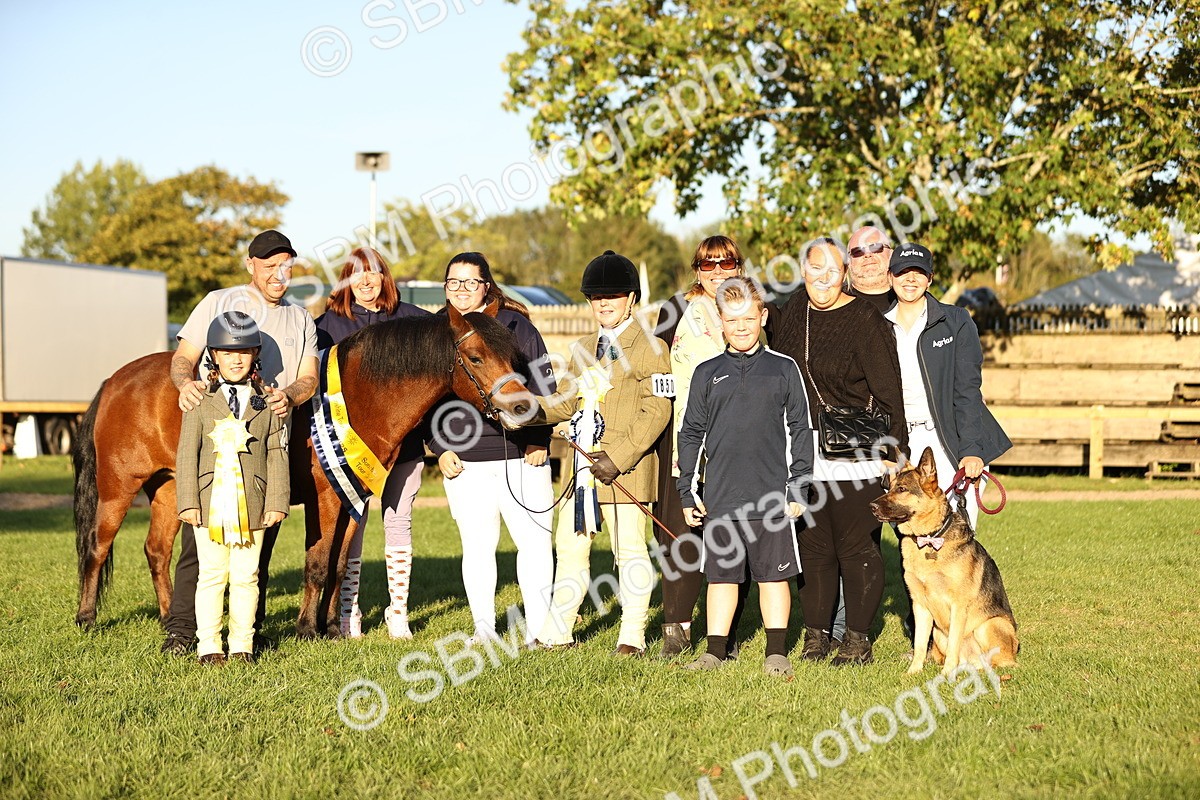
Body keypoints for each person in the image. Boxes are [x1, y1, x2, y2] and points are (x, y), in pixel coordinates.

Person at [162, 229, 319, 656]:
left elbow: (308, 376)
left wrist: (290, 395)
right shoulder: (217, 301)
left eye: (285, 266)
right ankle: (182, 630)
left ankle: (248, 633)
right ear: (250, 265)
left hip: (267, 441)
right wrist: (185, 386)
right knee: (200, 551)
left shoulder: (300, 318)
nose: (278, 274)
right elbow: (183, 359)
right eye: (269, 266)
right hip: (215, 448)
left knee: (257, 549)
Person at [773, 237, 907, 666]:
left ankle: (857, 640)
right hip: (804, 449)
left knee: (855, 548)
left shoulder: (866, 319)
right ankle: (816, 638)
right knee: (814, 547)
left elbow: (890, 393)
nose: (823, 280)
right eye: (815, 270)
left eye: (832, 271)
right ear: (803, 271)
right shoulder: (793, 312)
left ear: (844, 275)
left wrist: (893, 452)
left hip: (857, 450)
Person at [532, 250, 671, 656]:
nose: (604, 303)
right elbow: (564, 401)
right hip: (583, 469)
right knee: (571, 547)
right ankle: (559, 630)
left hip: (626, 469)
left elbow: (657, 409)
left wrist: (620, 457)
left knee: (628, 550)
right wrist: (524, 412)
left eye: (612, 295)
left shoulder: (652, 348)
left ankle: (632, 634)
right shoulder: (580, 348)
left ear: (631, 299)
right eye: (596, 297)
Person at [676, 277, 813, 677]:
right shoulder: (706, 372)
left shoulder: (783, 369)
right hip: (721, 496)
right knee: (721, 578)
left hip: (772, 497)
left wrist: (798, 486)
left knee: (773, 577)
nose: (741, 327)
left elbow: (800, 430)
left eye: (749, 319)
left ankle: (776, 653)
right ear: (720, 321)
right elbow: (690, 435)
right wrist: (688, 491)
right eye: (732, 320)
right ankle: (714, 652)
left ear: (763, 317)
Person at [429, 252, 556, 646]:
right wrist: (437, 445)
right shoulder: (437, 331)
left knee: (534, 545)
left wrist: (538, 438)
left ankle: (539, 631)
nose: (461, 290)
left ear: (486, 285)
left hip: (521, 456)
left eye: (470, 282)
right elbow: (424, 395)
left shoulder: (517, 325)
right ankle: (484, 630)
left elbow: (545, 387)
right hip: (464, 462)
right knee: (477, 548)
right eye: (453, 282)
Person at [315, 246, 431, 639]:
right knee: (354, 525)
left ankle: (398, 611)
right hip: (347, 452)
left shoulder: (413, 320)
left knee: (399, 523)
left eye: (374, 272)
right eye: (357, 273)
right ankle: (349, 611)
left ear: (385, 277)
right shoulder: (328, 325)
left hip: (406, 446)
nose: (366, 281)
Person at [651, 235, 754, 659]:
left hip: (740, 443)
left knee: (731, 538)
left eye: (724, 263)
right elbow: (657, 373)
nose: (716, 272)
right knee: (679, 536)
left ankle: (724, 634)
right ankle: (676, 629)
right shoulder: (674, 310)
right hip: (683, 442)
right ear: (696, 270)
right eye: (706, 265)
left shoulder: (752, 307)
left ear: (738, 266)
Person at [176, 312, 289, 665]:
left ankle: (243, 645)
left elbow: (276, 452)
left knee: (247, 576)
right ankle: (208, 646)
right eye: (227, 352)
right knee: (211, 576)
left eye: (243, 352)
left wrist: (277, 501)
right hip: (208, 504)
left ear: (255, 355)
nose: (236, 359)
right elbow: (185, 453)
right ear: (213, 355)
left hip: (253, 504)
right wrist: (186, 502)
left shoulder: (268, 403)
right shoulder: (199, 401)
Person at [884, 242, 1012, 529]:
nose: (911, 279)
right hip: (902, 441)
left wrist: (970, 449)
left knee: (956, 533)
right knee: (910, 532)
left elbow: (967, 390)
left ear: (930, 279)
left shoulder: (955, 321)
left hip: (950, 438)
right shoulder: (878, 326)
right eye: (903, 272)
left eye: (919, 273)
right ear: (891, 277)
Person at [846, 226, 896, 314]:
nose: (867, 254)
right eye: (858, 251)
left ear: (891, 254)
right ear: (849, 261)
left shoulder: (911, 299)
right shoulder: (834, 305)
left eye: (875, 247)